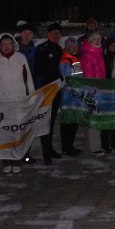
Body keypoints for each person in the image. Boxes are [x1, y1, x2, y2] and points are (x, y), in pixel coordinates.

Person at [0, 33, 35, 173]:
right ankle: (7, 160)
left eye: (9, 44)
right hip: (3, 103)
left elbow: (28, 80)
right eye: (3, 44)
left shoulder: (21, 58)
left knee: (19, 132)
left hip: (20, 101)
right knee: (5, 133)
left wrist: (30, 97)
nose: (6, 47)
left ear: (13, 44)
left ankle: (17, 160)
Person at [33, 23, 65, 164]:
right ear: (48, 34)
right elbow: (38, 70)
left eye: (58, 33)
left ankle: (50, 148)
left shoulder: (59, 49)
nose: (56, 35)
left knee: (51, 121)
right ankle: (46, 152)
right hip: (45, 90)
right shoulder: (41, 49)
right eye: (53, 33)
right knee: (44, 120)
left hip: (57, 90)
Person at [59, 37, 84, 156]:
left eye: (75, 46)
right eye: (71, 46)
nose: (74, 48)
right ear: (67, 47)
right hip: (68, 96)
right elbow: (67, 77)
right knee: (68, 122)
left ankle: (70, 145)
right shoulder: (65, 60)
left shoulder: (75, 59)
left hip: (76, 96)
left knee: (74, 121)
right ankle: (66, 147)